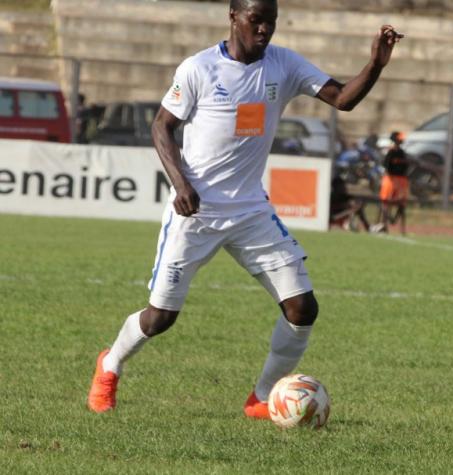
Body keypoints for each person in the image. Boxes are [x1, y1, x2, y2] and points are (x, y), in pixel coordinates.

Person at [87, 0, 402, 418]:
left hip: (251, 212)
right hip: (196, 213)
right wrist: (181, 185)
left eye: (271, 22)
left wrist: (375, 65)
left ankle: (262, 396)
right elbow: (162, 125)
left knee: (302, 308)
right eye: (257, 20)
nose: (265, 29)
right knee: (160, 317)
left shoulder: (284, 64)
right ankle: (110, 366)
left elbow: (343, 99)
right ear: (233, 17)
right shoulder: (199, 68)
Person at [373, 131, 409, 234]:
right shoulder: (390, 151)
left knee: (401, 203)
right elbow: (386, 165)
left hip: (401, 180)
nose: (401, 141)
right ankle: (382, 225)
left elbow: (406, 167)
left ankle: (395, 223)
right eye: (399, 139)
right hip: (390, 179)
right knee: (385, 202)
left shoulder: (402, 153)